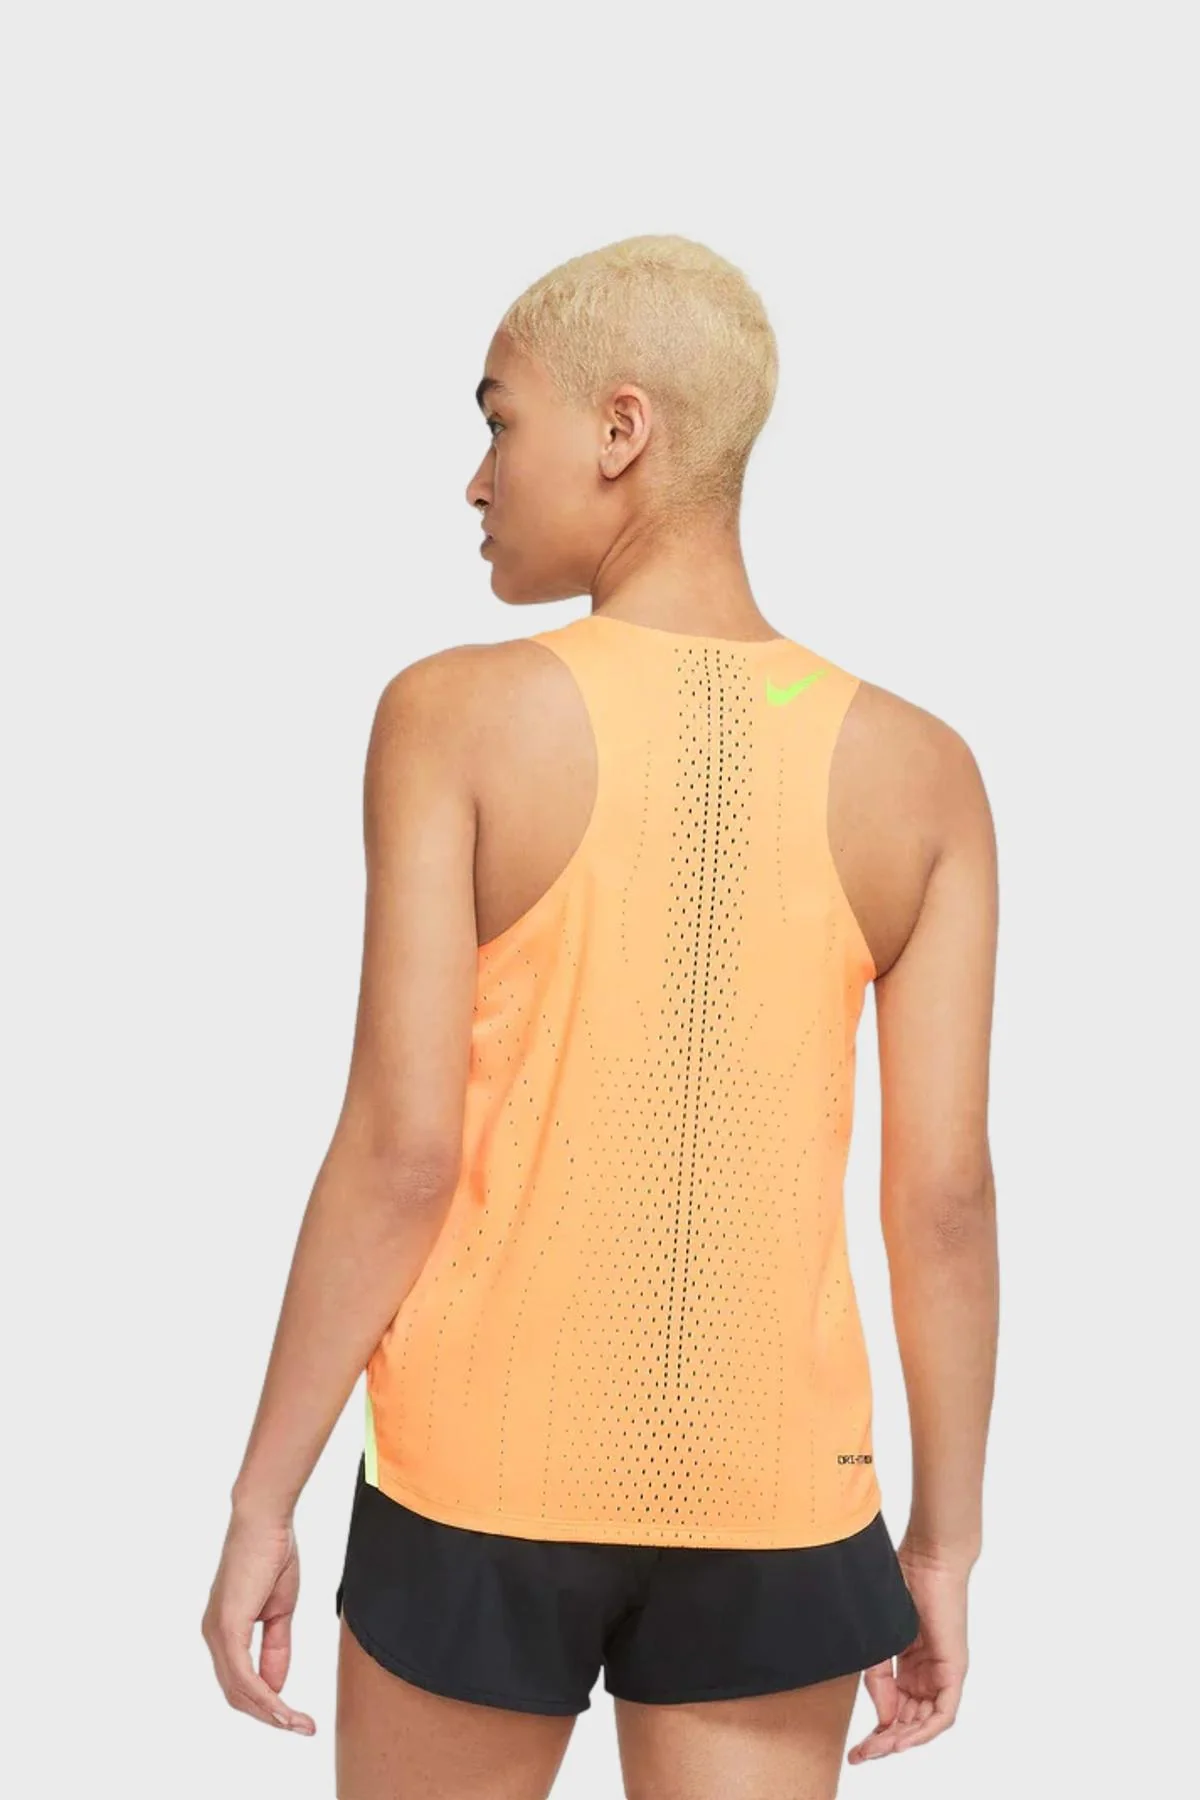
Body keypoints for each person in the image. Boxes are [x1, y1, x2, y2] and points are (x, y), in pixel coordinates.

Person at [202, 234, 999, 1800]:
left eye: (500, 420)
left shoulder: (452, 715)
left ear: (622, 429)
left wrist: (260, 1500)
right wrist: (944, 1545)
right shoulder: (924, 772)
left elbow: (402, 1152)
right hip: (780, 1500)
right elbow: (945, 1199)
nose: (477, 478)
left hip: (478, 1484)